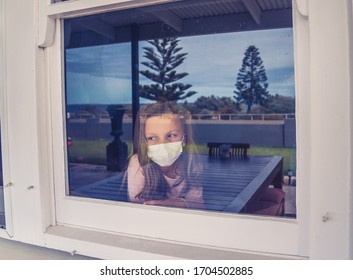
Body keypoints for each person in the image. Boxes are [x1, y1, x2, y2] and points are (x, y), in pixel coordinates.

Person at [127, 102, 204, 209]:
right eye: (152, 138)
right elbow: (138, 206)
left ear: (184, 139)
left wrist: (168, 204)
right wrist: (182, 203)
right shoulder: (138, 163)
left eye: (171, 135)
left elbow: (198, 204)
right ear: (144, 140)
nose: (162, 144)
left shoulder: (191, 165)